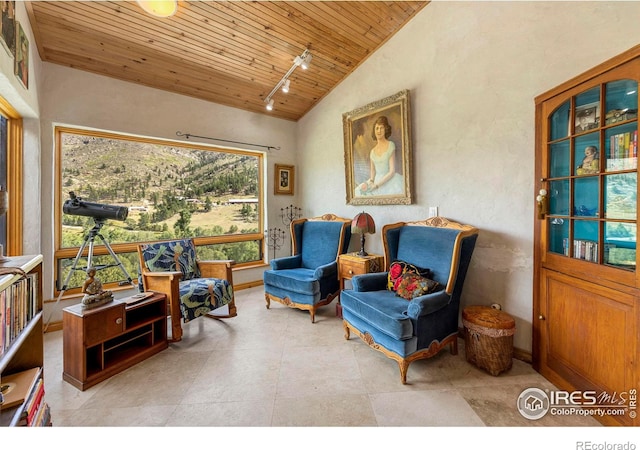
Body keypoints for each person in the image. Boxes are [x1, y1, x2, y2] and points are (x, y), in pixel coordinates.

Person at [354, 116, 404, 196]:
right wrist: (370, 182)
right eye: (377, 128)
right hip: (376, 181)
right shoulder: (372, 152)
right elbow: (373, 172)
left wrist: (377, 185)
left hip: (389, 180)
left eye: (381, 128)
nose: (379, 131)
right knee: (358, 193)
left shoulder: (390, 145)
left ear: (385, 130)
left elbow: (392, 171)